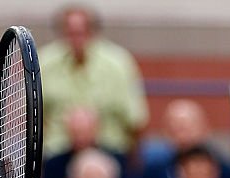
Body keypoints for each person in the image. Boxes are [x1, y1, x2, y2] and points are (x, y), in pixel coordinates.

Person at [39, 4, 148, 161]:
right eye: (70, 33)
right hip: (56, 154)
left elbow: (136, 120)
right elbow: (35, 119)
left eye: (81, 32)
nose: (76, 39)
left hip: (110, 153)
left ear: (93, 32)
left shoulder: (119, 63)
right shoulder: (44, 62)